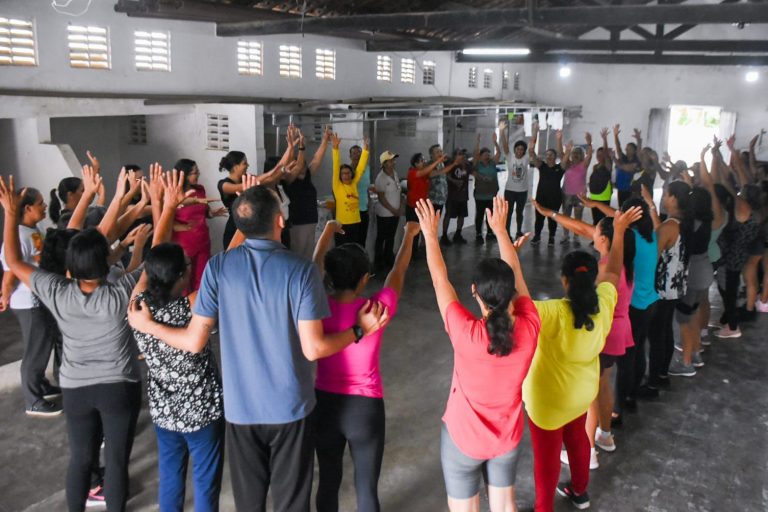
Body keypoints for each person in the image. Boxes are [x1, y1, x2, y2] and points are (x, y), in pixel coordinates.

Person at [127, 181, 390, 512]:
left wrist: (149, 326)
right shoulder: (302, 271)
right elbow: (314, 349)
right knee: (291, 502)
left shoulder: (218, 268)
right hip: (290, 408)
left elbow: (193, 341)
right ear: (280, 220)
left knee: (249, 503)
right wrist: (359, 329)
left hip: (241, 410)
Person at [1, 168, 145, 512]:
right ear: (105, 261)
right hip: (117, 386)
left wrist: (9, 216)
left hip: (76, 388)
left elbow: (14, 261)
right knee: (116, 459)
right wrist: (148, 228)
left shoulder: (57, 290)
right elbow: (151, 266)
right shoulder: (119, 292)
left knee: (80, 459)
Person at [415, 196, 540, 512]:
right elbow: (516, 274)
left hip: (463, 439)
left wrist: (430, 234)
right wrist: (501, 231)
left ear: (474, 291)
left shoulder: (466, 333)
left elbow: (440, 280)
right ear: (512, 292)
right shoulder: (530, 326)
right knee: (505, 506)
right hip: (507, 438)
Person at [523, 204, 641, 511]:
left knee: (547, 458)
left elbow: (520, 303)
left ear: (564, 281)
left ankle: (543, 507)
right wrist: (619, 231)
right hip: (581, 396)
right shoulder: (604, 304)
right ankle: (580, 491)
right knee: (577, 441)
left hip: (548, 403)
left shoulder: (552, 312)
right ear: (592, 281)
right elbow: (613, 270)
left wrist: (509, 249)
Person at [130, 169, 225, 512]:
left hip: (164, 410)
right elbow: (225, 264)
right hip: (201, 410)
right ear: (182, 275)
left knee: (170, 476)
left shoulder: (137, 304)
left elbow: (153, 256)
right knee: (205, 480)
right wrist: (248, 222)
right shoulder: (191, 305)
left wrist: (167, 207)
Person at [312, 220, 419, 512]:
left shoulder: (316, 306)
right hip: (366, 409)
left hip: (325, 406)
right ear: (363, 280)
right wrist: (409, 235)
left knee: (328, 481)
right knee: (366, 488)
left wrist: (327, 232)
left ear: (329, 277)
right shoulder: (376, 310)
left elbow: (314, 266)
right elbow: (398, 271)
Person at [0, 187, 62, 416]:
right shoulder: (16, 236)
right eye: (40, 203)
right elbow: (10, 271)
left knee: (43, 344)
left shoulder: (33, 230)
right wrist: (5, 295)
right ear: (27, 208)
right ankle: (33, 400)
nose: (44, 206)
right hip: (28, 303)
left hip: (40, 299)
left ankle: (41, 386)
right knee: (35, 349)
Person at [639, 181, 691, 394]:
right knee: (665, 330)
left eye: (666, 194)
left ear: (674, 199)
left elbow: (653, 252)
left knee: (656, 335)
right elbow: (660, 230)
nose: (664, 198)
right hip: (675, 287)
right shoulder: (681, 222)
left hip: (661, 288)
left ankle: (652, 383)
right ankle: (661, 374)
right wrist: (651, 204)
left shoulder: (669, 227)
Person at [283, 127, 332, 260]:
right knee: (297, 254)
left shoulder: (307, 176)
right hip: (297, 222)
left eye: (304, 166)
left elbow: (317, 159)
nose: (302, 168)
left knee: (308, 253)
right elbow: (295, 163)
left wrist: (325, 140)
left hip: (311, 220)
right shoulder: (290, 180)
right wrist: (299, 145)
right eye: (299, 166)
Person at [331, 134, 370, 247]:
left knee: (354, 249)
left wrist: (365, 149)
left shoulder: (353, 183)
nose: (346, 175)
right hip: (342, 224)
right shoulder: (337, 185)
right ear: (340, 175)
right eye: (343, 173)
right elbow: (336, 166)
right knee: (342, 250)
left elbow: (360, 168)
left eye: (348, 173)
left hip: (355, 223)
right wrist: (335, 148)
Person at [530, 131, 567, 246]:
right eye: (547, 155)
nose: (548, 156)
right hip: (541, 197)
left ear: (555, 157)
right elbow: (532, 154)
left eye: (551, 155)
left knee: (553, 219)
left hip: (555, 198)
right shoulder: (542, 166)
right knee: (539, 218)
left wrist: (559, 140)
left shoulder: (560, 168)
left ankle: (551, 237)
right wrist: (534, 136)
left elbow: (565, 158)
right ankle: (537, 236)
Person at [502, 120, 536, 239]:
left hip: (522, 191)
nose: (519, 151)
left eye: (522, 149)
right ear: (515, 149)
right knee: (509, 212)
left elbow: (532, 144)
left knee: (519, 212)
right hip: (510, 190)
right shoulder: (510, 157)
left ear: (524, 151)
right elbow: (505, 146)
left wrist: (535, 130)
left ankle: (518, 231)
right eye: (518, 149)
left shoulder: (526, 158)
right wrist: (502, 131)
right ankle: (506, 231)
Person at [560, 133, 593, 245]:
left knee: (578, 217)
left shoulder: (584, 164)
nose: (576, 155)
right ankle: (565, 235)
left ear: (582, 155)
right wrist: (567, 150)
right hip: (567, 194)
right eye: (574, 153)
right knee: (566, 217)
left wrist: (589, 144)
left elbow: (589, 156)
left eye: (578, 153)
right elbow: (562, 158)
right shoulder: (567, 164)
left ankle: (576, 236)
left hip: (580, 196)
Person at [373, 151, 402, 272]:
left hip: (395, 212)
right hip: (385, 213)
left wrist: (398, 208)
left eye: (393, 160)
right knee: (381, 237)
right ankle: (378, 261)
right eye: (390, 161)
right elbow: (381, 198)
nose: (393, 162)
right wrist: (393, 210)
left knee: (391, 236)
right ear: (384, 164)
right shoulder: (381, 178)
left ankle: (389, 257)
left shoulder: (394, 173)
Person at [426, 144, 460, 244]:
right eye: (437, 152)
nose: (440, 153)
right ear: (431, 155)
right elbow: (434, 174)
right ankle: (427, 245)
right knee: (429, 225)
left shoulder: (441, 164)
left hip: (440, 200)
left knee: (435, 224)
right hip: (432, 200)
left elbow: (443, 176)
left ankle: (433, 244)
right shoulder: (429, 165)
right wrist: (453, 164)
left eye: (441, 151)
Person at [472, 131, 502, 245]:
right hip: (480, 195)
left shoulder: (492, 163)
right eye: (485, 154)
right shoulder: (477, 164)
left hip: (491, 195)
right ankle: (478, 234)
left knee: (491, 214)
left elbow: (499, 152)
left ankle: (490, 232)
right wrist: (477, 142)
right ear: (480, 156)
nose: (487, 156)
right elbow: (475, 153)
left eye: (488, 154)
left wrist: (495, 142)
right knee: (480, 215)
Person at [217, 150, 249, 249]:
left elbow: (268, 178)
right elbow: (240, 187)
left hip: (249, 228)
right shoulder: (223, 184)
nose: (248, 165)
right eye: (244, 163)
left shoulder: (247, 178)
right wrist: (279, 170)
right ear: (235, 167)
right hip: (234, 229)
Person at [443, 149, 470, 244]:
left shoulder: (467, 165)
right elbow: (445, 175)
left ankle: (458, 234)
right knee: (448, 215)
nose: (462, 156)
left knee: (461, 216)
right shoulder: (451, 165)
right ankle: (444, 236)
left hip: (463, 195)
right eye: (459, 154)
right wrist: (454, 181)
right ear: (455, 156)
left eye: (463, 154)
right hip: (452, 195)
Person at [588, 128, 613, 225]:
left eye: (601, 154)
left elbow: (606, 155)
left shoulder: (608, 166)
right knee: (595, 221)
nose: (599, 156)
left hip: (603, 197)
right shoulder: (595, 166)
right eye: (598, 154)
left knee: (602, 221)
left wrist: (605, 139)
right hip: (594, 196)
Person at [350, 143, 372, 248]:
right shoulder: (348, 170)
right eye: (354, 153)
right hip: (352, 209)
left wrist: (369, 201)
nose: (357, 155)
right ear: (350, 156)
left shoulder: (366, 169)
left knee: (362, 237)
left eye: (359, 153)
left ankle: (361, 256)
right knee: (353, 238)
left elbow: (367, 187)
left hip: (364, 208)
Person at [612, 125, 641, 206]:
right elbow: (618, 148)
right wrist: (616, 135)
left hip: (630, 191)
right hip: (620, 189)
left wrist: (614, 158)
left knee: (629, 208)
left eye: (630, 148)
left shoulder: (636, 161)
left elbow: (624, 168)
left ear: (634, 151)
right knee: (622, 208)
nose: (627, 150)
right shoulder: (623, 159)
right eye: (627, 148)